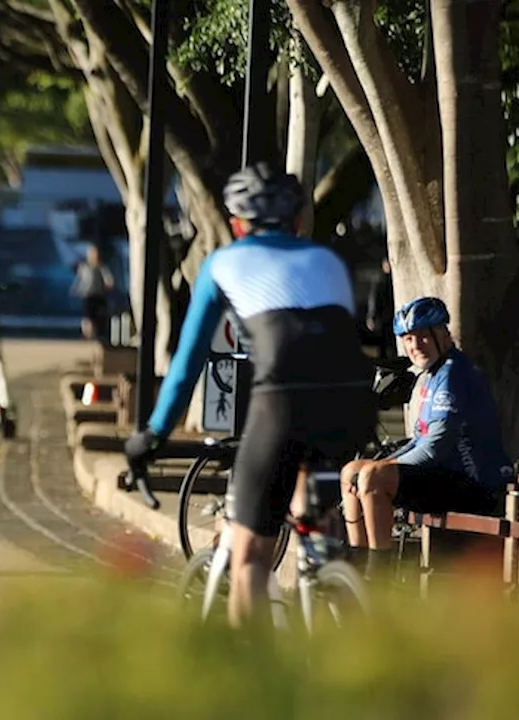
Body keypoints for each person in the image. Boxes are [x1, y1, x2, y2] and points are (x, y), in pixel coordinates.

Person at [123, 163, 375, 629]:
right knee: (312, 510)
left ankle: (256, 679)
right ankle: (328, 567)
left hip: (281, 402)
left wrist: (153, 435)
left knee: (252, 556)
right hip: (353, 401)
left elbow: (187, 363)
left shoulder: (222, 263)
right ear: (298, 222)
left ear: (238, 224)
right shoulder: (328, 261)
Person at [339, 296, 513, 578]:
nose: (415, 346)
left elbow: (435, 447)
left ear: (444, 334)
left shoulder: (454, 374)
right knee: (351, 472)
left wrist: (382, 468)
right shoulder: (433, 374)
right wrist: (382, 463)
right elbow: (420, 440)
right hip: (446, 476)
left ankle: (377, 575)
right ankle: (357, 569)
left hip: (475, 486)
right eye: (408, 339)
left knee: (373, 477)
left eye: (423, 337)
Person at [71, 244, 114, 344]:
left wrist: (109, 285)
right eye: (91, 253)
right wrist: (75, 289)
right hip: (87, 295)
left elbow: (109, 279)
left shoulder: (101, 267)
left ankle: (95, 334)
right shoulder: (84, 267)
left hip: (98, 295)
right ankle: (87, 334)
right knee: (87, 317)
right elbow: (79, 280)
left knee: (97, 316)